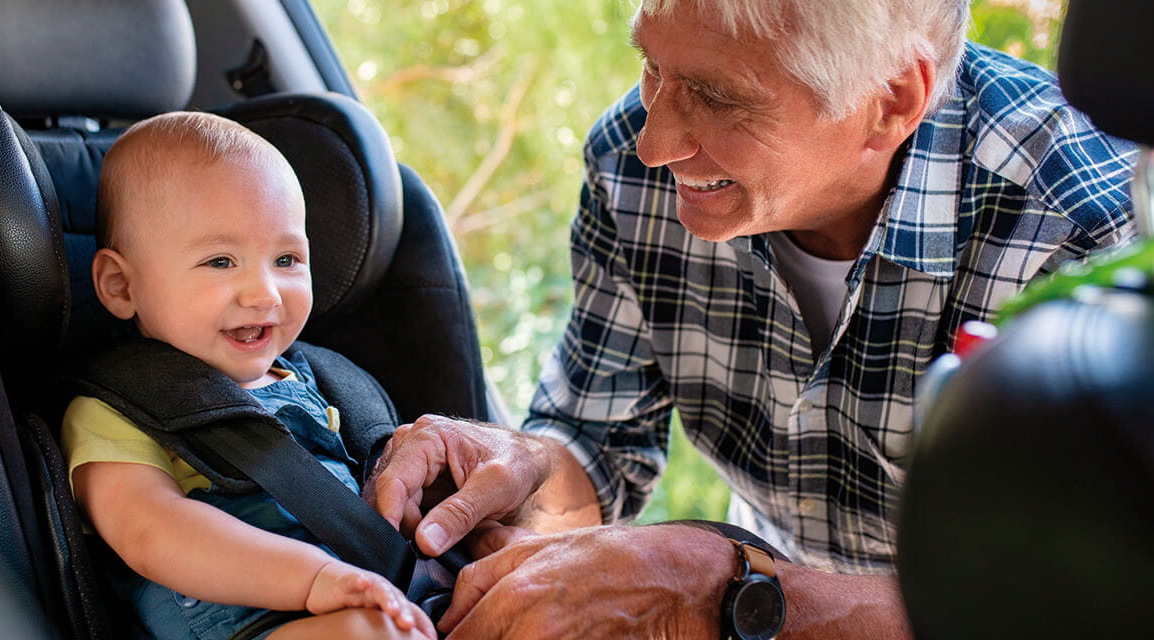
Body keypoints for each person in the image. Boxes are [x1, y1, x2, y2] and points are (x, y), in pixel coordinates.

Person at [367, 0, 1139, 638]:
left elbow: (1093, 601)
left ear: (891, 101)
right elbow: (596, 450)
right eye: (652, 68)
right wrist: (523, 465)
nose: (655, 140)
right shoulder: (630, 173)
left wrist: (729, 593)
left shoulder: (1087, 229)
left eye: (717, 95)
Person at [62, 111, 435, 640]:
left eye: (286, 258)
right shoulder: (113, 410)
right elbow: (148, 529)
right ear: (122, 286)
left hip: (366, 595)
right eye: (220, 262)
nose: (265, 293)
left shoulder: (322, 384)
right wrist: (313, 578)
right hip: (246, 624)